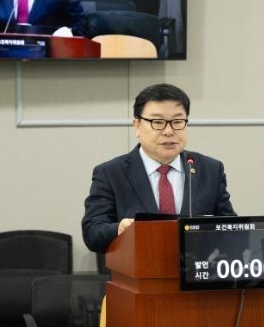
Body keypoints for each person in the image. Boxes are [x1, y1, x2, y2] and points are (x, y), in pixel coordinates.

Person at [81, 83, 236, 253]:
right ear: (137, 126)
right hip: (138, 268)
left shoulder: (210, 170)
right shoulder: (111, 173)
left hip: (197, 267)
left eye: (177, 122)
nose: (169, 131)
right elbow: (92, 232)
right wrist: (119, 229)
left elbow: (231, 230)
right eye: (158, 122)